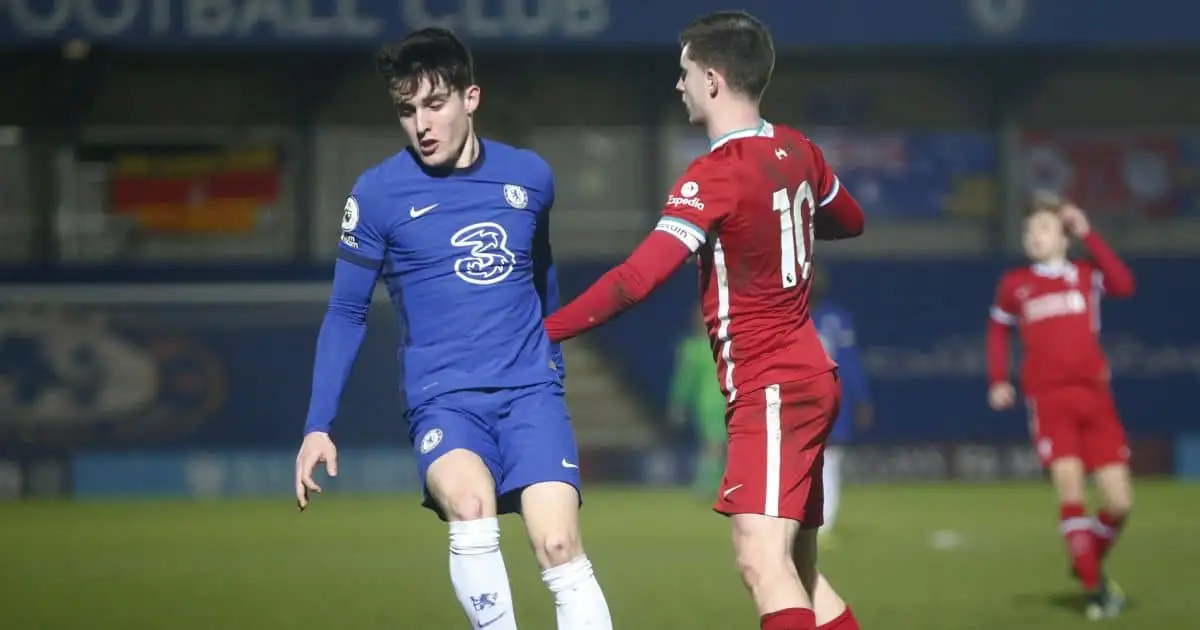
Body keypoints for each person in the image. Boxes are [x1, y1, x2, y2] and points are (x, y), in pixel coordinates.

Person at [544, 11, 866, 630]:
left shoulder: (713, 175)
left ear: (714, 79)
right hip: (806, 375)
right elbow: (850, 220)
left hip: (771, 385)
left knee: (759, 561)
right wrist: (785, 221)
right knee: (797, 572)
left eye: (685, 72)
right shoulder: (798, 150)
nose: (679, 84)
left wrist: (544, 331)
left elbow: (636, 279)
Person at [293, 28, 613, 630]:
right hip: (445, 402)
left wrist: (553, 360)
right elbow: (345, 312)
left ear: (471, 97)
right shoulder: (377, 194)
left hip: (529, 396)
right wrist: (318, 424)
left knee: (560, 547)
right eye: (406, 110)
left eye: (434, 104)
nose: (421, 124)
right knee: (470, 508)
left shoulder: (530, 179)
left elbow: (541, 272)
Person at [987, 192, 1135, 620]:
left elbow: (1125, 284)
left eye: (1044, 228)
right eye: (1029, 230)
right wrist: (999, 380)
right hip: (1049, 401)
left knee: (1120, 503)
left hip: (1096, 399)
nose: (1034, 236)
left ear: (1063, 236)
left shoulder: (1086, 275)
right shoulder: (1016, 284)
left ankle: (1084, 557)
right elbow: (997, 331)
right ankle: (1095, 590)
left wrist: (1088, 231)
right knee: (1071, 491)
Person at [809, 268, 873, 546]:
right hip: (797, 398)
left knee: (831, 458)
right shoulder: (786, 314)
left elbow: (850, 362)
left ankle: (825, 520)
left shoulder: (838, 319)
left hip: (831, 396)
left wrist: (861, 398)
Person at [667, 310, 728, 496]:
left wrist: (678, 404)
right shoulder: (698, 348)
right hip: (713, 402)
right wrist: (678, 404)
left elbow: (683, 380)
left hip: (718, 401)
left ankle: (714, 484)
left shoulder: (698, 348)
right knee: (714, 444)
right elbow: (685, 380)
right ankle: (707, 485)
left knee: (718, 445)